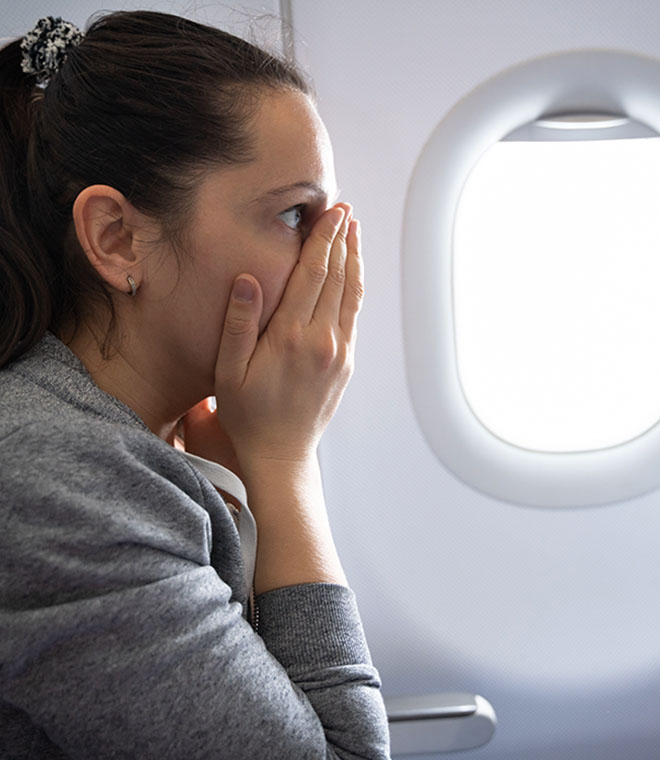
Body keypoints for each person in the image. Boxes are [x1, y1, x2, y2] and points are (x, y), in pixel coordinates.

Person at [0, 11, 391, 759]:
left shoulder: (139, 444)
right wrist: (284, 466)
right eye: (294, 214)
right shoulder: (54, 475)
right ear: (117, 238)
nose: (332, 263)